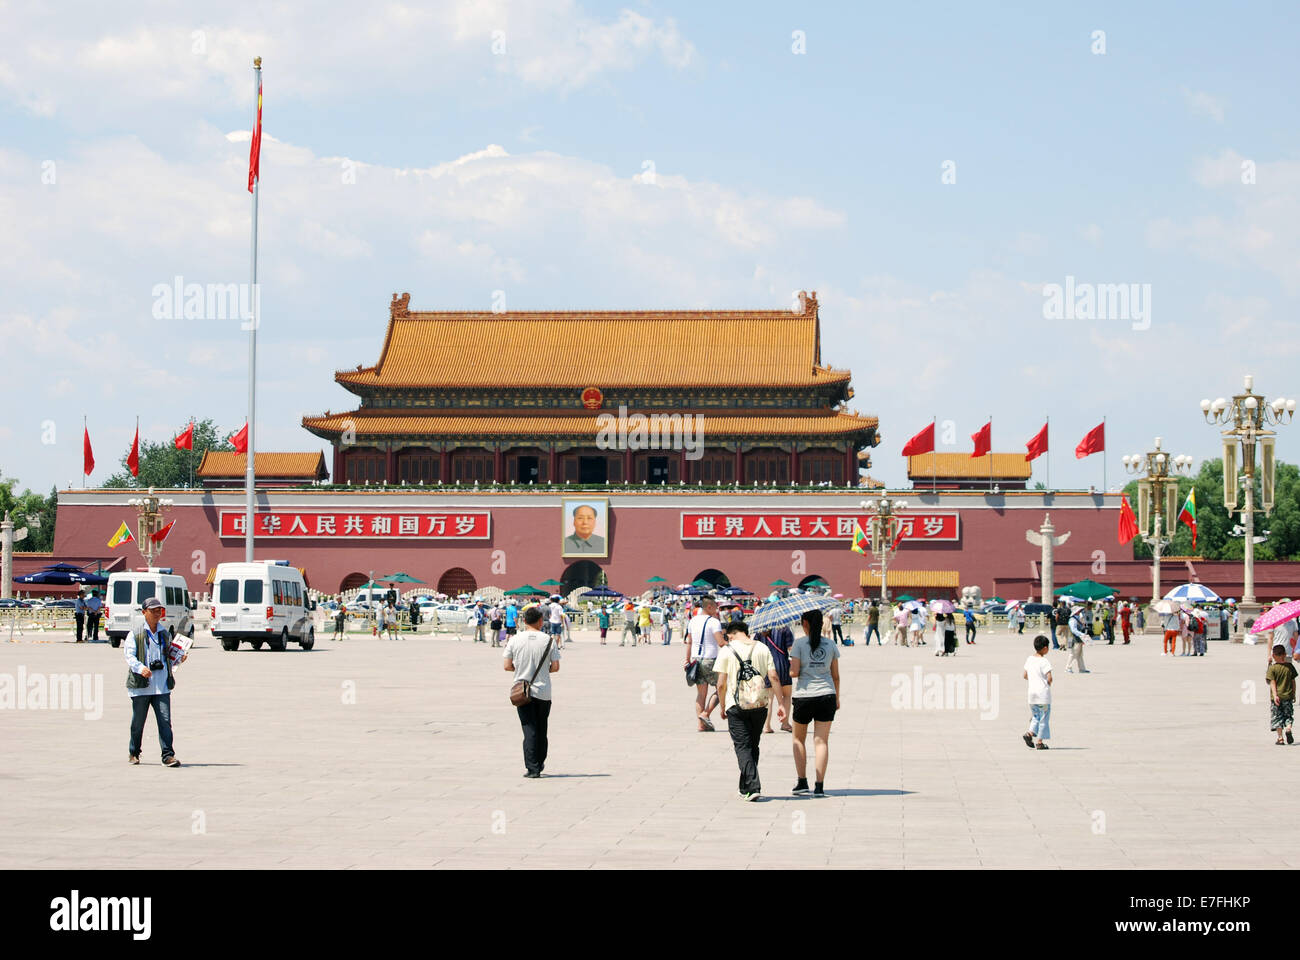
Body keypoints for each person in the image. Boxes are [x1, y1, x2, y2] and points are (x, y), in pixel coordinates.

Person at [713, 621, 785, 800]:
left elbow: (721, 684)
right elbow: (774, 677)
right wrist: (782, 703)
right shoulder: (762, 648)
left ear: (730, 634)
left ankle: (753, 787)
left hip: (735, 705)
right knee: (753, 745)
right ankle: (745, 786)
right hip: (760, 704)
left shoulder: (727, 650)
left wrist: (722, 707)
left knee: (742, 746)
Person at [124, 597, 186, 767]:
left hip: (161, 686)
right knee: (138, 722)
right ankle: (134, 752)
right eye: (153, 610)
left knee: (165, 721)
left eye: (159, 610)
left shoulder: (164, 634)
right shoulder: (135, 633)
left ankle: (168, 755)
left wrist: (179, 659)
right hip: (141, 686)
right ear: (144, 612)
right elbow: (129, 656)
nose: (157, 613)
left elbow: (168, 659)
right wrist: (140, 668)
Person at [504, 605, 561, 777]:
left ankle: (532, 767)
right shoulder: (549, 640)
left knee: (529, 729)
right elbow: (556, 667)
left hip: (523, 691)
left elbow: (507, 666)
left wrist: (520, 669)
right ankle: (540, 762)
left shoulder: (514, 639)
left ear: (524, 621)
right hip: (543, 692)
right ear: (540, 621)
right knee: (542, 728)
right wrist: (543, 671)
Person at [790, 610, 840, 798]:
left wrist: (790, 667)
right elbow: (836, 675)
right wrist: (837, 697)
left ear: (805, 624)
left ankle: (802, 782)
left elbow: (794, 673)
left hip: (804, 696)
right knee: (821, 742)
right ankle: (819, 786)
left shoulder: (799, 644)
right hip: (827, 694)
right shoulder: (831, 644)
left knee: (798, 739)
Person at [686, 596, 725, 732]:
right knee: (722, 687)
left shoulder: (692, 621)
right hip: (711, 660)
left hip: (696, 660)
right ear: (709, 607)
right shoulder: (714, 622)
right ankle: (706, 713)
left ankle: (701, 725)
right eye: (716, 607)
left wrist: (687, 660)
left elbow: (689, 642)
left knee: (701, 694)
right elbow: (721, 642)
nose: (717, 609)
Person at [759, 624, 794, 734]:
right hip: (782, 663)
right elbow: (790, 648)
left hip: (767, 665)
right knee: (787, 695)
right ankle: (785, 723)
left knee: (769, 697)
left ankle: (766, 725)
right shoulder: (784, 628)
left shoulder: (760, 629)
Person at [1022, 634, 1052, 750]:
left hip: (1032, 695)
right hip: (1043, 696)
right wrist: (1046, 684)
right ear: (1045, 648)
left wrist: (1034, 680)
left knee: (1036, 716)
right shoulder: (1044, 661)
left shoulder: (1029, 659)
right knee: (1044, 718)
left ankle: (1029, 733)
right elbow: (1049, 678)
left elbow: (1025, 675)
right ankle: (1039, 742)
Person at [1267, 644, 1297, 746]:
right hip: (1288, 696)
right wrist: (1293, 694)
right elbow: (1293, 682)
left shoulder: (1273, 668)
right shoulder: (1290, 667)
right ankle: (1288, 728)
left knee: (1277, 717)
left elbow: (1271, 682)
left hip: (1277, 698)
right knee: (1288, 715)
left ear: (1273, 655)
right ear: (1284, 655)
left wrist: (1275, 695)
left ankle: (1280, 738)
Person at [1066, 604, 1090, 674]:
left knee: (1079, 654)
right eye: (1079, 611)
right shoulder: (1072, 620)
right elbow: (1073, 630)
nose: (1080, 612)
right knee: (1073, 654)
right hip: (1074, 639)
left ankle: (1082, 669)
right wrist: (1082, 634)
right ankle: (1068, 667)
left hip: (1078, 639)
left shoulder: (1076, 619)